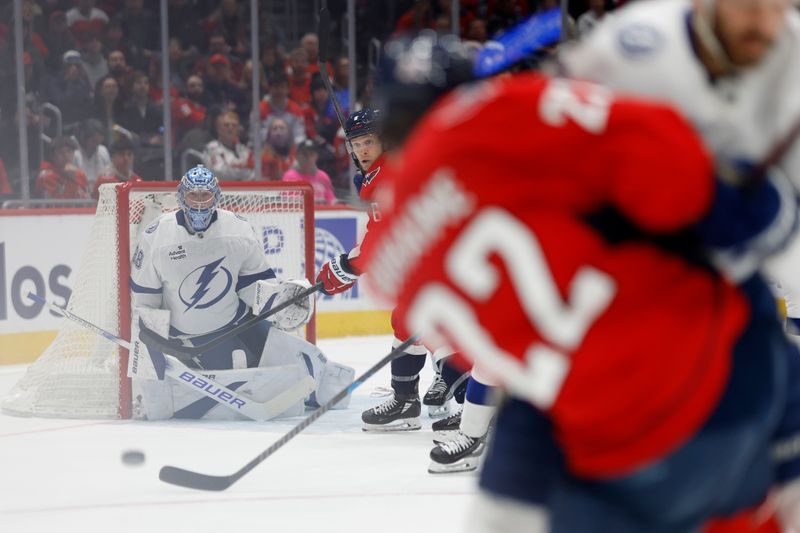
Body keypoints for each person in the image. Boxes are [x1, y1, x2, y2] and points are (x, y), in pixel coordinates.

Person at [360, 60, 800, 533]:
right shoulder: (516, 118)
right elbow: (669, 161)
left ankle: (469, 436)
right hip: (705, 376)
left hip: (590, 432)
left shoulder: (391, 257)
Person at [130, 165, 355, 420]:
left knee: (294, 353)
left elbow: (253, 284)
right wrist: (154, 367)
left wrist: (278, 299)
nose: (201, 203)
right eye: (195, 196)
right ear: (182, 196)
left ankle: (332, 390)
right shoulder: (157, 236)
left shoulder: (237, 229)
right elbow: (146, 304)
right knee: (253, 380)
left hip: (241, 322)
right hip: (193, 338)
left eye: (206, 196)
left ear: (217, 196)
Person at [202, 110, 253, 181]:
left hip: (245, 190)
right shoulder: (211, 149)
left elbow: (254, 173)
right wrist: (244, 170)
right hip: (221, 190)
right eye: (226, 125)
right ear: (218, 129)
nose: (230, 128)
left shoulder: (244, 150)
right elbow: (220, 172)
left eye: (234, 125)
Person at [282, 139, 336, 205]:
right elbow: (290, 201)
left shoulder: (323, 176)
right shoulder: (289, 177)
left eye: (311, 154)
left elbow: (331, 198)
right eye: (304, 154)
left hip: (322, 214)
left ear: (316, 156)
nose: (308, 158)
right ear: (297, 156)